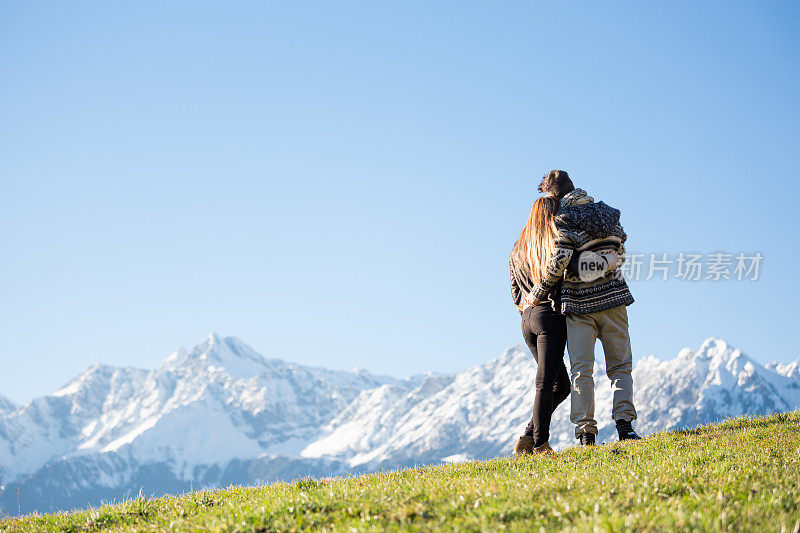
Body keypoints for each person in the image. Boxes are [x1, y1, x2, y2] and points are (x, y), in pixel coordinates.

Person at [527, 170, 641, 446]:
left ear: (555, 195)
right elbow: (620, 254)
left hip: (580, 307)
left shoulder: (564, 219)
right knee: (621, 367)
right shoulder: (610, 215)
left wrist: (539, 291)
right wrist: (604, 264)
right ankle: (625, 426)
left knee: (582, 371)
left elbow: (561, 259)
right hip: (615, 300)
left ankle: (586, 432)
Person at [510, 196, 620, 455]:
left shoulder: (517, 248)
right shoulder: (552, 244)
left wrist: (526, 309)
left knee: (560, 385)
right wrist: (608, 262)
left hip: (527, 319)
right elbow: (575, 268)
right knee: (546, 383)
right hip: (549, 317)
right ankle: (540, 444)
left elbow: (514, 289)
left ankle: (528, 436)